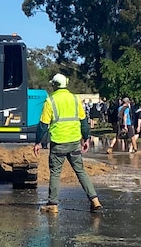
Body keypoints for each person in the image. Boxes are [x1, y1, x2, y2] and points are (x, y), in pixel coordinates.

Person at [33, 73, 102, 214]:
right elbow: (83, 121)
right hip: (74, 142)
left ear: (54, 85)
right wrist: (86, 138)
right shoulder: (75, 99)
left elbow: (43, 125)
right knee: (80, 171)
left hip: (58, 143)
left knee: (55, 173)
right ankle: (94, 200)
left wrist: (37, 142)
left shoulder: (50, 101)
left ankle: (52, 204)